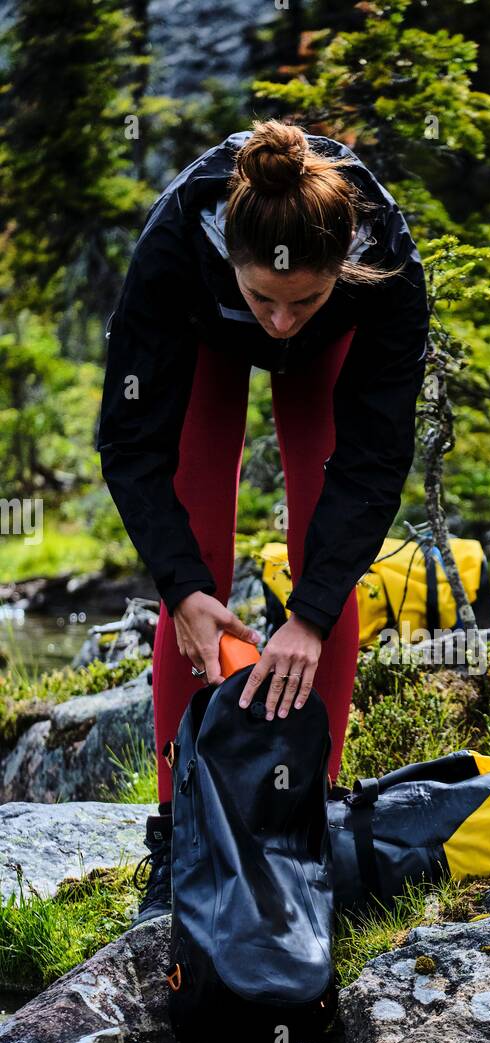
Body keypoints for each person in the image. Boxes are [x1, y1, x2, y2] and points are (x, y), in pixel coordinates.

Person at [97, 119, 430, 923]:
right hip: (202, 336)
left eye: (302, 300)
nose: (281, 320)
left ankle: (307, 817)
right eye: (266, 299)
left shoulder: (382, 262)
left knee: (326, 552)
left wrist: (309, 616)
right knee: (200, 570)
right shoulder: (179, 241)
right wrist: (179, 588)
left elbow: (374, 460)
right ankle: (178, 833)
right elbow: (132, 442)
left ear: (341, 269)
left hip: (335, 349)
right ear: (230, 264)